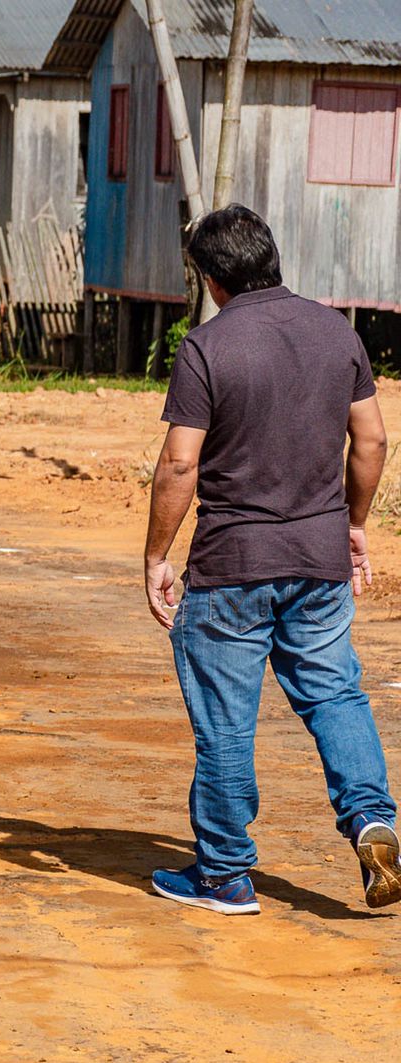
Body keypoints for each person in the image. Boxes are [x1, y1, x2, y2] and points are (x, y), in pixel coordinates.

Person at [145, 203, 401, 915]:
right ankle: (372, 819)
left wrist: (157, 555)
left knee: (227, 722)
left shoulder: (207, 347)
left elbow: (179, 464)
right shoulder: (337, 332)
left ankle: (224, 874)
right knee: (334, 694)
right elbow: (373, 441)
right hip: (319, 559)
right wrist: (353, 524)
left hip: (233, 564)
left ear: (211, 279)